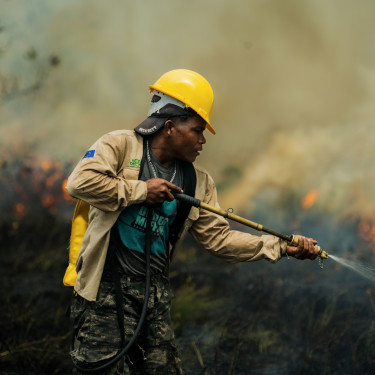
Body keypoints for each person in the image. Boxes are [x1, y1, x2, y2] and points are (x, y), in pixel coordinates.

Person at [66, 69, 319, 375]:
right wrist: (142, 190)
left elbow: (219, 240)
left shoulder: (197, 181)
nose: (202, 141)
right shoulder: (120, 146)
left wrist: (280, 247)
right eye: (198, 130)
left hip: (153, 298)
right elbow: (79, 183)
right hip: (104, 292)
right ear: (170, 126)